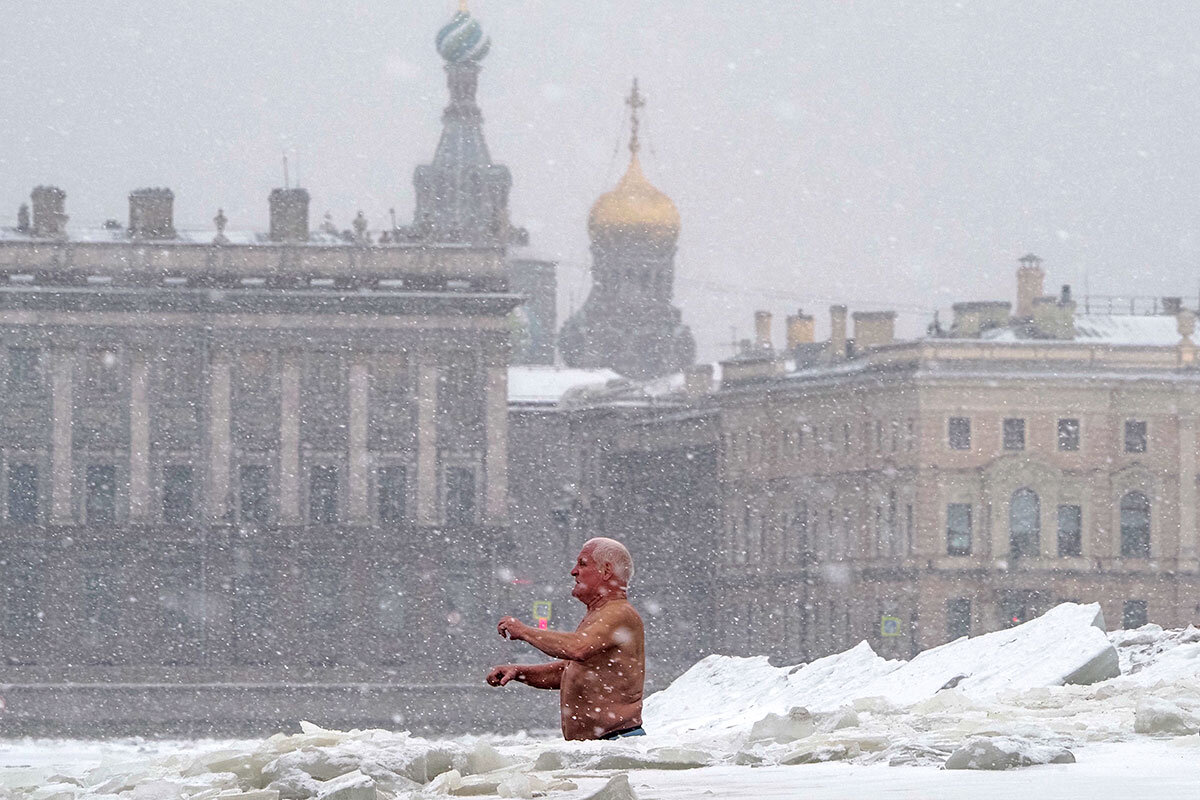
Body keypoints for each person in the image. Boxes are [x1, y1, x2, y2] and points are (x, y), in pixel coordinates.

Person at [486, 537, 646, 741]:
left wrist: (524, 631)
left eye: (582, 564)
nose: (574, 571)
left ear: (606, 571)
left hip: (617, 742)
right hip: (602, 746)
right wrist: (519, 672)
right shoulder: (600, 613)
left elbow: (577, 648)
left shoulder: (619, 612)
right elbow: (572, 670)